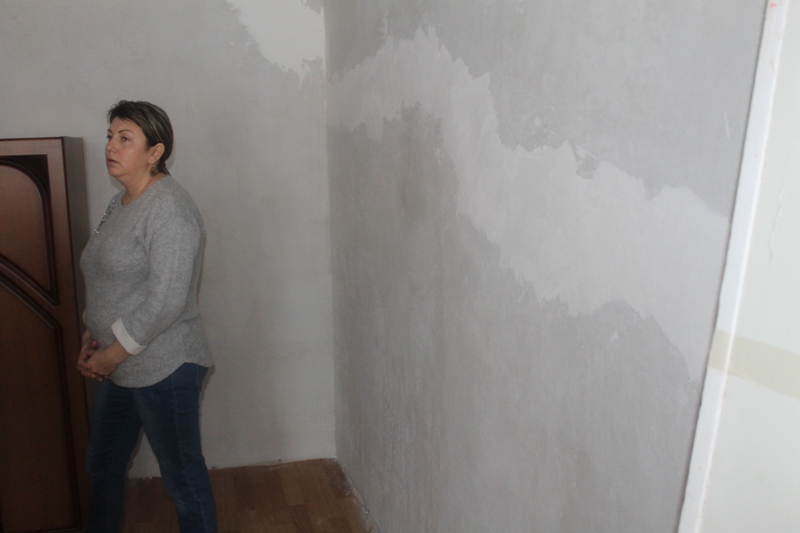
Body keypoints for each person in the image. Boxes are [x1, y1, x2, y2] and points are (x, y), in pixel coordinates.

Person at [77, 100, 217, 532]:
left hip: (165, 366)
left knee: (182, 480)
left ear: (155, 152)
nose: (110, 147)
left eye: (125, 138)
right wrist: (91, 335)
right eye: (110, 136)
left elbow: (166, 299)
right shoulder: (119, 203)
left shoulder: (169, 208)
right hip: (121, 363)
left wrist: (110, 355)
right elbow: (105, 277)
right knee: (102, 464)